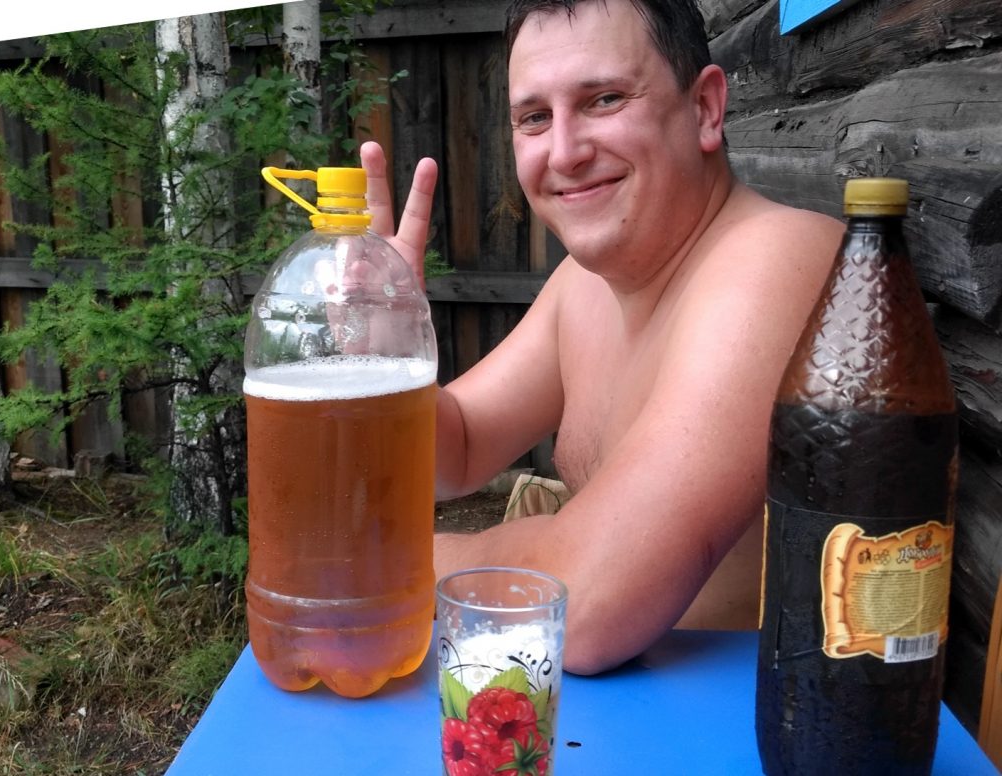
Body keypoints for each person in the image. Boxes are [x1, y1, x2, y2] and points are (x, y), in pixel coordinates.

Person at [360, 0, 844, 675]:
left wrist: (393, 559)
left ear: (705, 108)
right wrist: (387, 355)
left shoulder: (781, 259)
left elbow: (582, 606)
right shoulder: (583, 286)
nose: (564, 151)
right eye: (535, 117)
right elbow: (456, 450)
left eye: (604, 99)